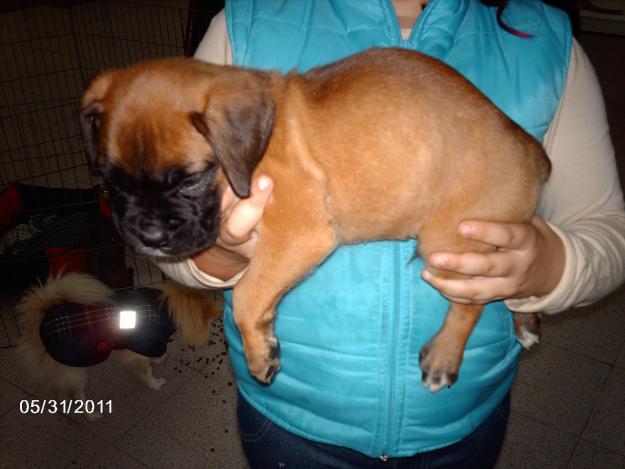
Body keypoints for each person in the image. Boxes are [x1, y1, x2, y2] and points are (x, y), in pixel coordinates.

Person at [155, 0, 625, 467]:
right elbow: (171, 222)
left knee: (459, 250)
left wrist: (554, 266)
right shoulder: (244, 28)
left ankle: (458, 335)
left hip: (461, 419)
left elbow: (606, 226)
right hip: (293, 419)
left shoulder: (545, 43)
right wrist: (217, 252)